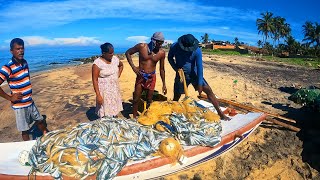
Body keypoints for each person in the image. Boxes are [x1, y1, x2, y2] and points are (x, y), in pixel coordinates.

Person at [168, 34, 230, 120]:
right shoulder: (174, 46)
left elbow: (200, 67)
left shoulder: (197, 50)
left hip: (195, 74)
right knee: (176, 96)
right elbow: (170, 58)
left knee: (209, 91)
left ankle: (220, 113)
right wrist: (176, 69)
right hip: (181, 75)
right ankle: (172, 113)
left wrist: (200, 83)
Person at [0, 38, 48, 141]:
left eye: (22, 48)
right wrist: (9, 97)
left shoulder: (25, 62)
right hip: (20, 106)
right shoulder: (7, 67)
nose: (21, 51)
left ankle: (46, 136)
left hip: (30, 101)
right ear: (11, 51)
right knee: (25, 130)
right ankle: (28, 147)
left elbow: (27, 77)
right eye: (17, 49)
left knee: (39, 120)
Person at [125, 32, 167, 118]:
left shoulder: (162, 53)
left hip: (151, 78)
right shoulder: (142, 47)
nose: (160, 45)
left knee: (149, 100)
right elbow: (128, 53)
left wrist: (164, 84)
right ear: (153, 40)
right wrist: (134, 67)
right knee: (136, 98)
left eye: (161, 43)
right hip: (141, 76)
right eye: (158, 42)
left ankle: (147, 116)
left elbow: (162, 69)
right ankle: (134, 117)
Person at [92, 42, 124, 118]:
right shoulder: (97, 64)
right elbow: (95, 80)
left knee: (114, 107)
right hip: (104, 91)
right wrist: (98, 95)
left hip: (114, 89)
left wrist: (118, 75)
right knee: (104, 110)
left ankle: (114, 118)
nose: (112, 54)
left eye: (113, 52)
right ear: (103, 53)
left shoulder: (115, 59)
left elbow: (121, 65)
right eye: (110, 53)